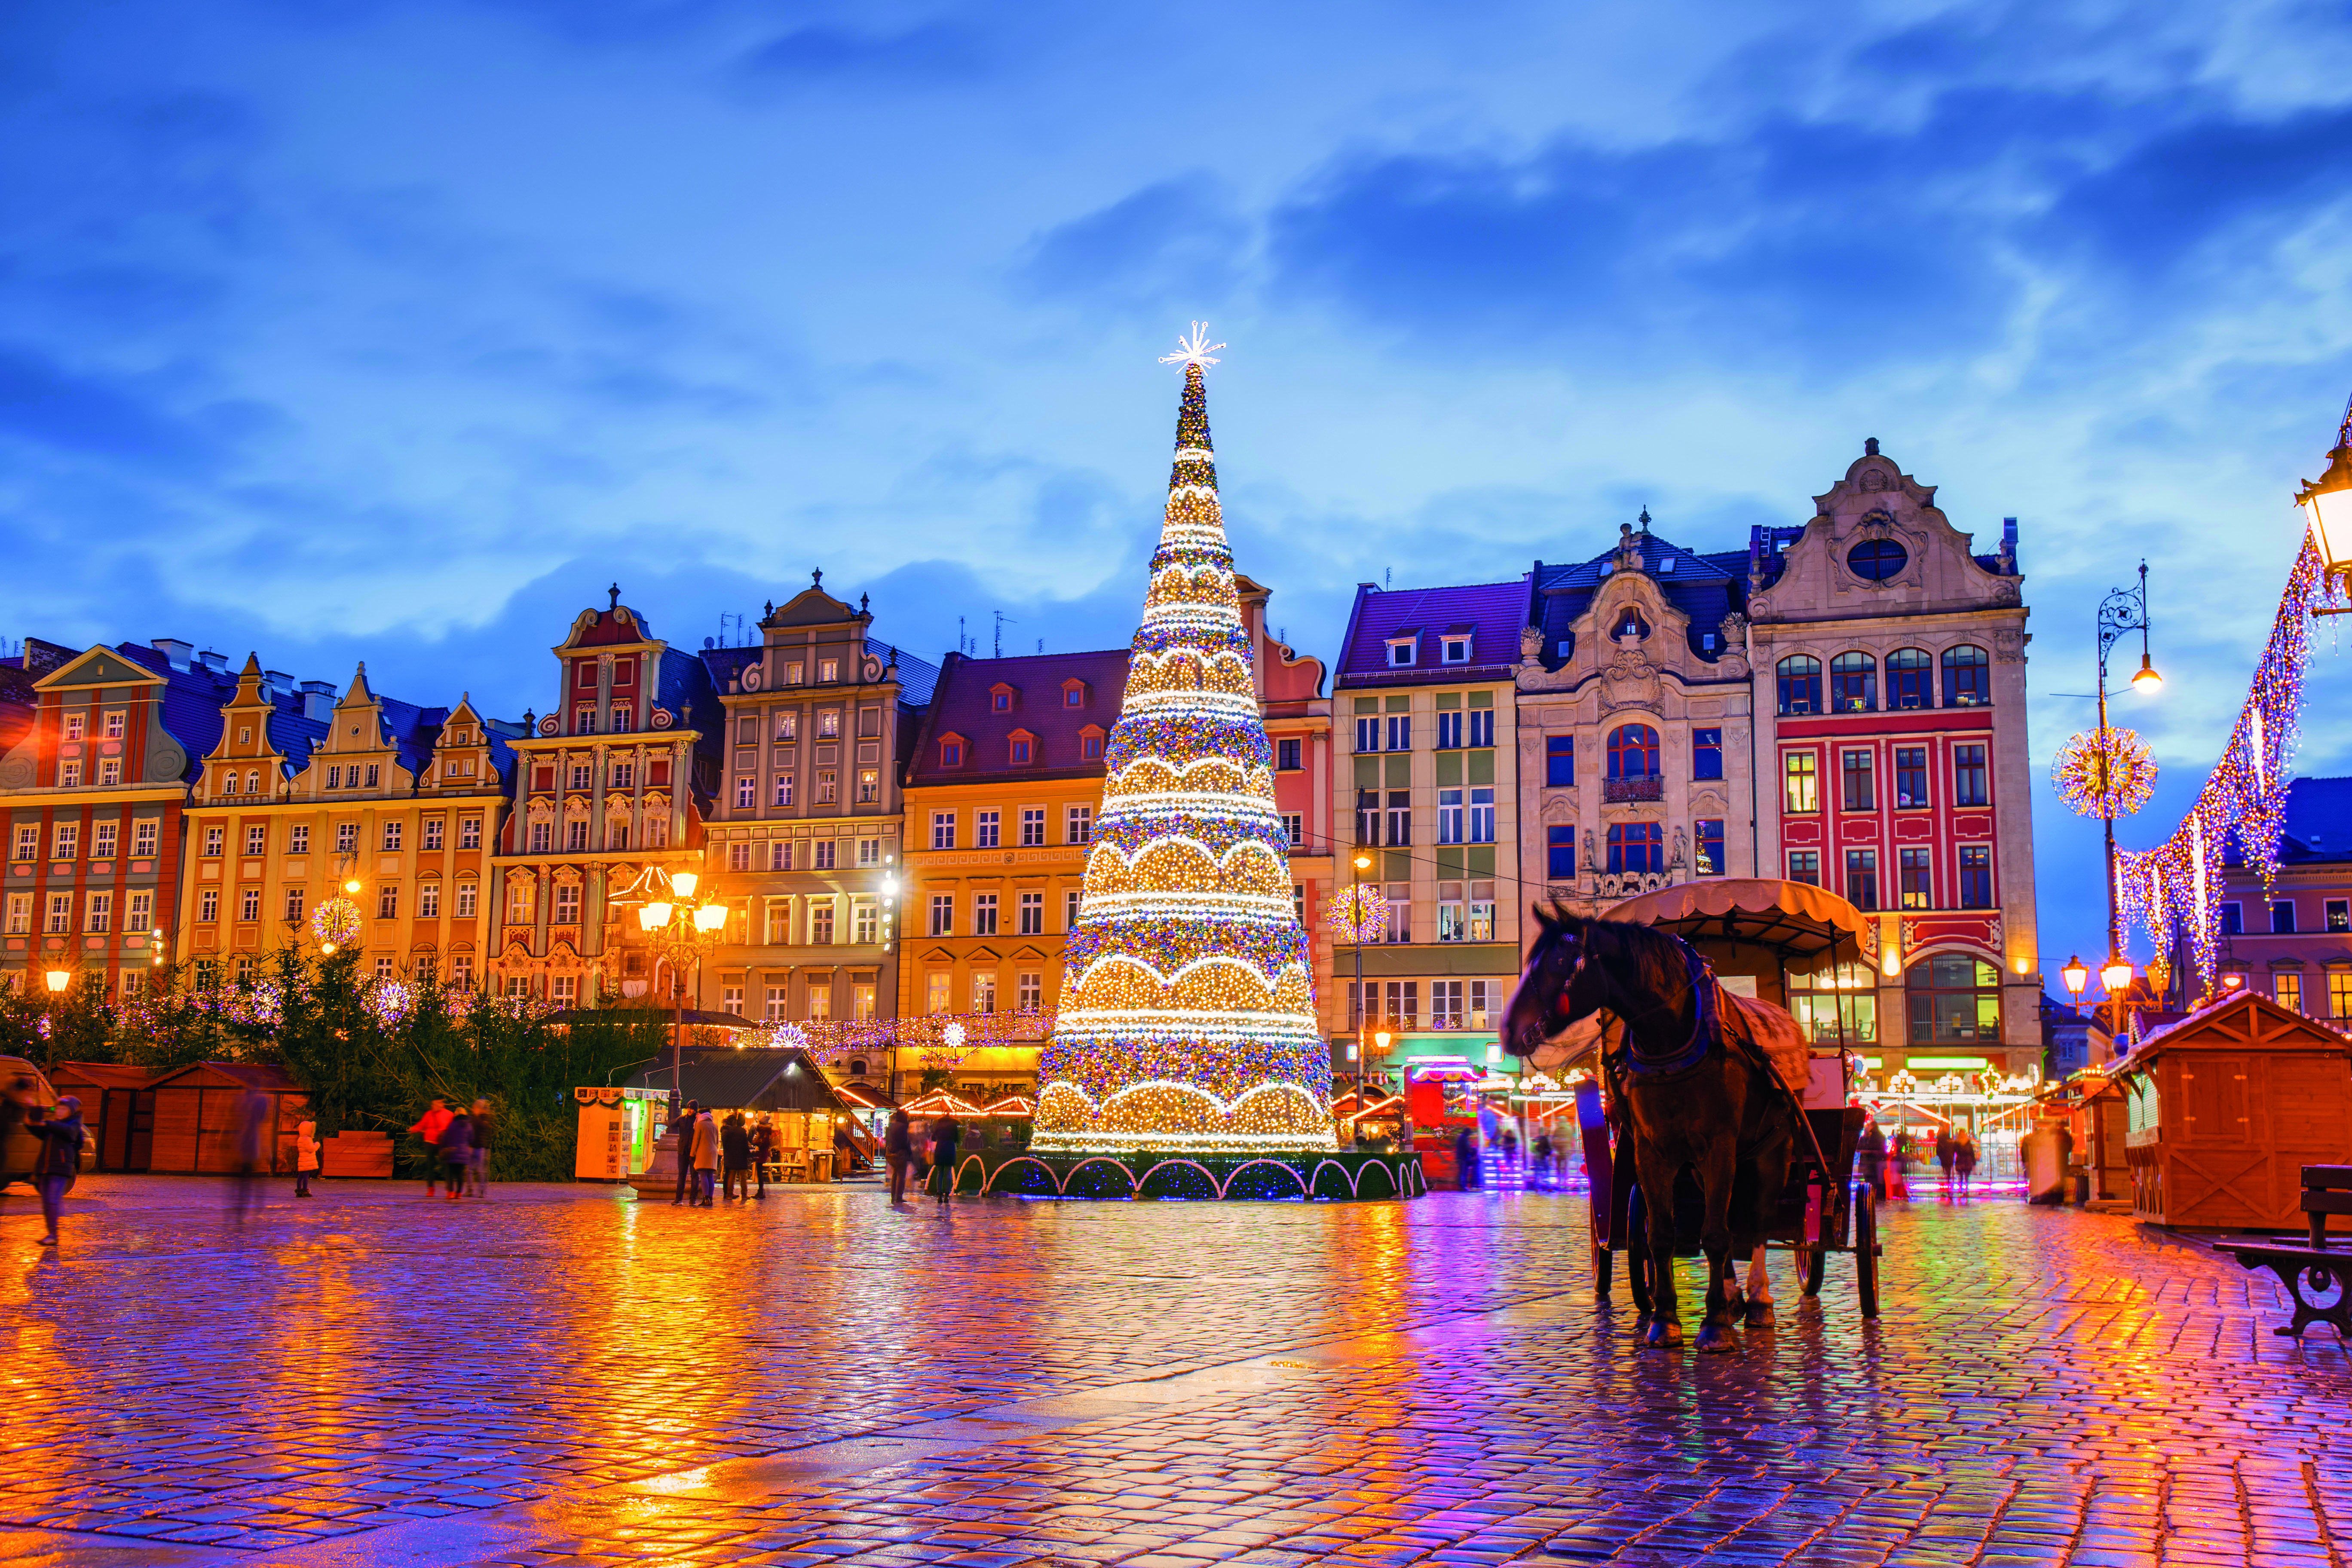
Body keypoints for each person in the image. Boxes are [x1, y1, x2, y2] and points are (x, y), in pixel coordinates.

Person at [24, 1096, 83, 1245]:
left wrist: (47, 1123)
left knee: (52, 1201)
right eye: (58, 1108)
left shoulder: (74, 1125)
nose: (59, 1111)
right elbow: (41, 1133)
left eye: (63, 1109)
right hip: (46, 1168)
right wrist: (30, 1123)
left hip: (61, 1169)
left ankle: (53, 1235)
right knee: (47, 1202)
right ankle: (51, 1233)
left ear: (71, 1111)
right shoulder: (55, 1125)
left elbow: (70, 1133)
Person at [232, 1084, 273, 1220]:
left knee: (246, 1179)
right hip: (248, 1153)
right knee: (247, 1179)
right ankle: (246, 1207)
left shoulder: (249, 1114)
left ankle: (243, 1207)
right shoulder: (252, 1117)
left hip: (247, 1153)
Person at [409, 1097, 453, 1198]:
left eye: (437, 1104)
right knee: (430, 1167)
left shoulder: (449, 1115)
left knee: (446, 1166)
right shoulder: (429, 1114)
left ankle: (450, 1190)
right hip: (429, 1142)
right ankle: (431, 1189)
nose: (434, 1107)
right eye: (433, 1105)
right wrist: (414, 1129)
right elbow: (422, 1124)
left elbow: (452, 1128)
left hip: (442, 1142)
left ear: (442, 1104)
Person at [438, 1106, 475, 1202]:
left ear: (456, 1115)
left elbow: (446, 1138)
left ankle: (450, 1193)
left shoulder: (452, 1124)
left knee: (450, 1174)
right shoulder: (469, 1125)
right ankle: (459, 1193)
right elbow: (471, 1139)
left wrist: (442, 1148)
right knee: (460, 1174)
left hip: (452, 1152)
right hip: (464, 1154)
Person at [668, 1099, 699, 1206]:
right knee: (682, 1175)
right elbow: (672, 1123)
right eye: (689, 1108)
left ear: (696, 1110)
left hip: (693, 1151)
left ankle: (693, 1199)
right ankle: (678, 1199)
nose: (690, 1110)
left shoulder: (698, 1120)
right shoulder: (682, 1119)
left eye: (692, 1109)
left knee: (695, 1175)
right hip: (683, 1151)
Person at [468, 1098, 497, 1198]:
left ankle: (481, 1191)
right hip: (473, 1146)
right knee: (470, 1169)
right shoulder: (474, 1118)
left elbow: (483, 1131)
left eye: (475, 1108)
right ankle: (470, 1190)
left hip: (482, 1148)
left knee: (481, 1170)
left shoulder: (485, 1118)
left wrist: (476, 1116)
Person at [930, 1112, 960, 1206]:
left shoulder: (939, 1125)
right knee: (948, 1172)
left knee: (940, 1172)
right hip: (950, 1148)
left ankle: (939, 1195)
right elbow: (957, 1139)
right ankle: (947, 1196)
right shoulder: (954, 1125)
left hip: (940, 1148)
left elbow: (933, 1138)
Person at [720, 1111, 752, 1201]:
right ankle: (744, 1194)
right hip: (741, 1157)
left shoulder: (729, 1131)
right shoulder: (742, 1131)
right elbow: (745, 1145)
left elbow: (726, 1144)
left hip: (732, 1156)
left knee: (732, 1176)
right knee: (743, 1177)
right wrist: (749, 1155)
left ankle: (729, 1194)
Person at [692, 1106, 719, 1206]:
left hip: (703, 1152)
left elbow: (696, 1140)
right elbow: (717, 1142)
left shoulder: (700, 1124)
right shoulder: (715, 1125)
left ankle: (705, 1198)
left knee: (703, 1175)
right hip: (713, 1152)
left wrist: (692, 1153)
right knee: (710, 1176)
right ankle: (710, 1199)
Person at [885, 1109, 913, 1204]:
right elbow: (905, 1141)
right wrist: (909, 1152)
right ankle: (899, 1197)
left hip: (894, 1153)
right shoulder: (903, 1126)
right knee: (901, 1175)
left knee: (895, 1175)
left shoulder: (894, 1126)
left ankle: (894, 1196)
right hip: (902, 1154)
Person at [751, 1115, 776, 1200]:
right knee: (759, 1173)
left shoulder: (765, 1134)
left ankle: (761, 1191)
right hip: (762, 1153)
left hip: (761, 1153)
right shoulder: (764, 1133)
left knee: (760, 1173)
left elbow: (764, 1144)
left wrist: (757, 1142)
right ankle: (760, 1191)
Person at [294, 1118, 320, 1198]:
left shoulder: (300, 1138)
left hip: (302, 1160)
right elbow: (311, 1149)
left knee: (301, 1176)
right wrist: (317, 1145)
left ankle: (299, 1190)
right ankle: (305, 1190)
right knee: (306, 1175)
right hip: (307, 1161)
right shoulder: (307, 1139)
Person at [1954, 1126, 1979, 1196]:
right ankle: (1961, 1190)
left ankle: (1965, 1190)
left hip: (1966, 1161)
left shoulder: (1967, 1143)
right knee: (1961, 1177)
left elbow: (1972, 1153)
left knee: (1966, 1177)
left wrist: (1974, 1163)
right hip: (1961, 1161)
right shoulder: (1958, 1143)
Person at [1934, 1124, 1957, 1194]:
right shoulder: (1946, 1138)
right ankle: (1948, 1186)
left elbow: (1939, 1149)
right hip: (1947, 1157)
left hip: (1946, 1157)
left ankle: (1947, 1186)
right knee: (1948, 1172)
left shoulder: (1944, 1138)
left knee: (1947, 1171)